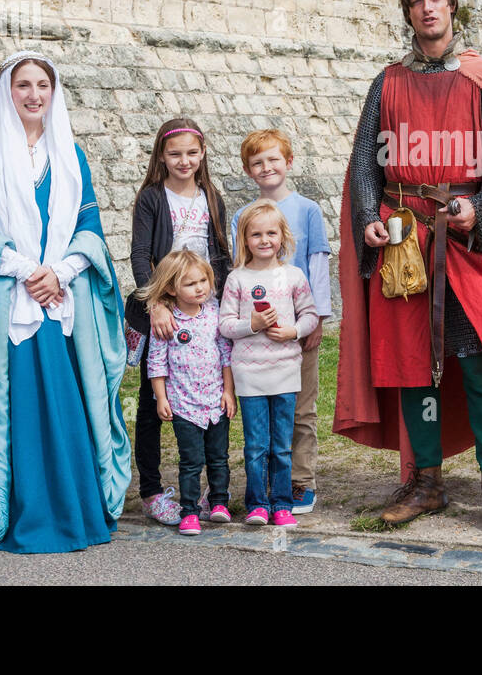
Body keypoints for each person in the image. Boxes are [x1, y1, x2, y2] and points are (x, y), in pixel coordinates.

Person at [335, 0, 482, 539]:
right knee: (413, 369)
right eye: (417, 0)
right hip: (404, 238)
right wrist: (366, 219)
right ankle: (426, 480)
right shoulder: (388, 82)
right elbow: (364, 167)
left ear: (453, 8)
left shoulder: (481, 77)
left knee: (481, 360)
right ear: (407, 12)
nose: (429, 8)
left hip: (463, 239)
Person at [0, 51, 132, 553]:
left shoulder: (71, 155)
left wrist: (58, 273)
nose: (34, 94)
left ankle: (67, 513)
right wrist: (25, 271)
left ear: (54, 92)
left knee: (63, 400)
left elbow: (89, 228)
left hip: (59, 298)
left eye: (43, 85)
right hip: (7, 298)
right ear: (8, 91)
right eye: (23, 85)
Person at [127, 118, 233, 525]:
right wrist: (155, 303)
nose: (184, 161)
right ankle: (152, 491)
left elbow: (219, 252)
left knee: (214, 394)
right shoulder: (153, 198)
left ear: (202, 153)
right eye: (175, 154)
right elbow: (140, 254)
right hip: (161, 308)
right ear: (162, 156)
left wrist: (220, 305)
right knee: (156, 401)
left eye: (191, 153)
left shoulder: (211, 196)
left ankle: (212, 490)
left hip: (203, 307)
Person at [232, 129, 331, 514]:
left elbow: (319, 263)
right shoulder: (244, 216)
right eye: (257, 162)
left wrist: (317, 318)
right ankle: (268, 482)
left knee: (301, 408)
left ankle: (301, 480)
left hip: (297, 329)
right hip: (257, 335)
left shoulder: (307, 209)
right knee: (262, 411)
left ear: (288, 163)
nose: (266, 167)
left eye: (273, 159)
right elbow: (239, 269)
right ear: (248, 171)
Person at [219, 199, 319, 528]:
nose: (264, 240)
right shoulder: (237, 279)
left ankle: (281, 503)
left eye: (271, 233)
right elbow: (225, 325)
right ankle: (257, 503)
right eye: (256, 234)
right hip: (250, 375)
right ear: (245, 239)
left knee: (281, 446)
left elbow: (310, 315)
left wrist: (293, 332)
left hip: (286, 372)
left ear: (282, 236)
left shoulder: (293, 276)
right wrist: (253, 325)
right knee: (256, 445)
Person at [138, 250, 236, 535]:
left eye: (203, 280)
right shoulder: (167, 322)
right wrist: (162, 398)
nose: (200, 288)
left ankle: (218, 502)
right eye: (191, 284)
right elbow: (156, 363)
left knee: (219, 457)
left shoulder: (215, 314)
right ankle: (190, 511)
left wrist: (229, 392)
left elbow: (226, 355)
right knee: (190, 461)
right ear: (171, 288)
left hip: (216, 402)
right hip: (184, 404)